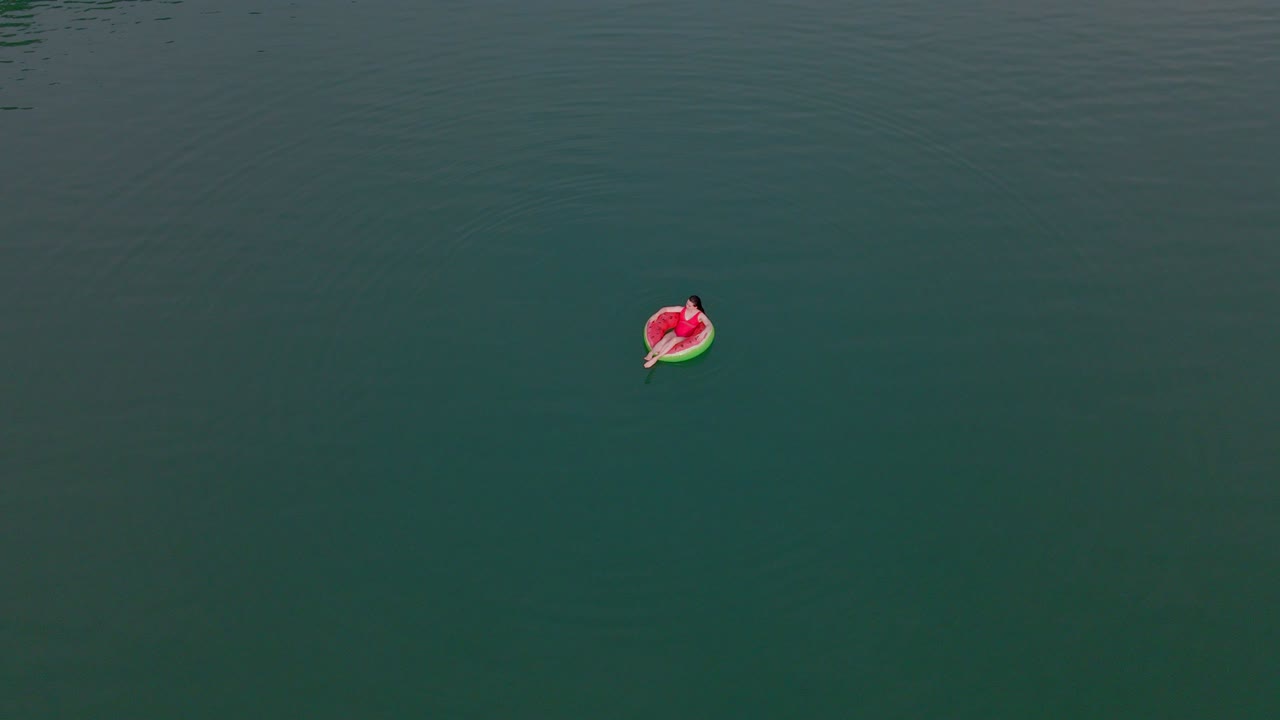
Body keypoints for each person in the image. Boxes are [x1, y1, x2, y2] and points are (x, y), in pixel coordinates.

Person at [644, 295, 710, 368]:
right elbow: (665, 309)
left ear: (695, 307)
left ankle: (656, 358)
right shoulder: (682, 309)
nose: (686, 306)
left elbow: (708, 325)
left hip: (685, 337)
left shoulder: (700, 315)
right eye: (687, 303)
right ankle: (651, 353)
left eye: (689, 305)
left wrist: (702, 333)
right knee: (665, 338)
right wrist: (656, 315)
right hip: (675, 332)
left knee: (674, 340)